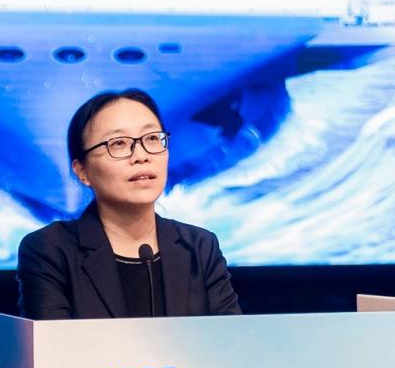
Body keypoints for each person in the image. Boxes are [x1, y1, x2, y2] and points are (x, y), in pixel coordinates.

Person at [17, 89, 241, 319]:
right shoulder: (50, 250)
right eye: (119, 143)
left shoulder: (200, 247)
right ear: (82, 171)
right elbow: (51, 341)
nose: (141, 156)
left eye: (152, 138)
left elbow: (230, 337)